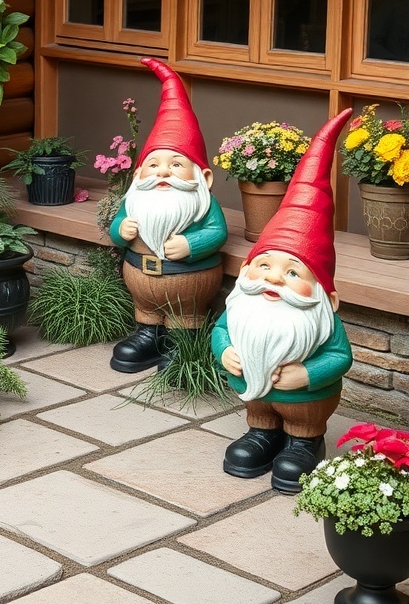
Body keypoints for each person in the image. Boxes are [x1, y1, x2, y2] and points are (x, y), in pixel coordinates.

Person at [212, 109, 353, 494]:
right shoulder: (244, 305)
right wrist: (225, 351)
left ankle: (305, 443)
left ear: (328, 298)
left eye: (293, 272)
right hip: (256, 394)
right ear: (245, 271)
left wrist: (307, 375)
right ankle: (262, 435)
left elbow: (340, 357)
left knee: (302, 423)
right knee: (259, 415)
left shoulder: (320, 320)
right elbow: (222, 331)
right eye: (265, 265)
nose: (274, 277)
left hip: (307, 401)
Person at [109, 57, 227, 373]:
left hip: (188, 284)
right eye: (154, 164)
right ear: (139, 175)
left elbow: (217, 232)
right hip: (141, 278)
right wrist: (122, 229)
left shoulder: (201, 203)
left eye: (176, 164)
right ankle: (148, 334)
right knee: (146, 309)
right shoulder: (136, 200)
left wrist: (192, 245)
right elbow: (116, 227)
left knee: (184, 313)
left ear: (203, 177)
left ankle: (181, 342)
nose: (163, 171)